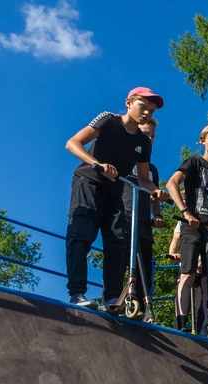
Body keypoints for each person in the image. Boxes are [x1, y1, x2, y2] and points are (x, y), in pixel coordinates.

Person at [64, 87, 167, 310]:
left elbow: (143, 179)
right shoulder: (108, 120)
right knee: (81, 236)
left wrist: (157, 192)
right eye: (143, 107)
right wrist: (97, 164)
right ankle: (77, 293)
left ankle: (111, 299)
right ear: (129, 102)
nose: (147, 114)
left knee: (117, 243)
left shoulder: (143, 142)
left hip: (115, 192)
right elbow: (72, 143)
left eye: (151, 111)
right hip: (88, 183)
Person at [165, 124, 208, 333]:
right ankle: (180, 324)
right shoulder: (194, 163)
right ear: (203, 140)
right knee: (187, 275)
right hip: (193, 228)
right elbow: (171, 184)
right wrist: (186, 212)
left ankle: (206, 326)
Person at [121, 118, 165, 323]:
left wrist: (157, 214)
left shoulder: (151, 169)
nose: (150, 139)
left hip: (143, 221)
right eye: (146, 134)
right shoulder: (122, 158)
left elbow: (154, 198)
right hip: (122, 215)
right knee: (120, 260)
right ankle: (115, 298)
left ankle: (143, 307)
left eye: (153, 136)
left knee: (145, 265)